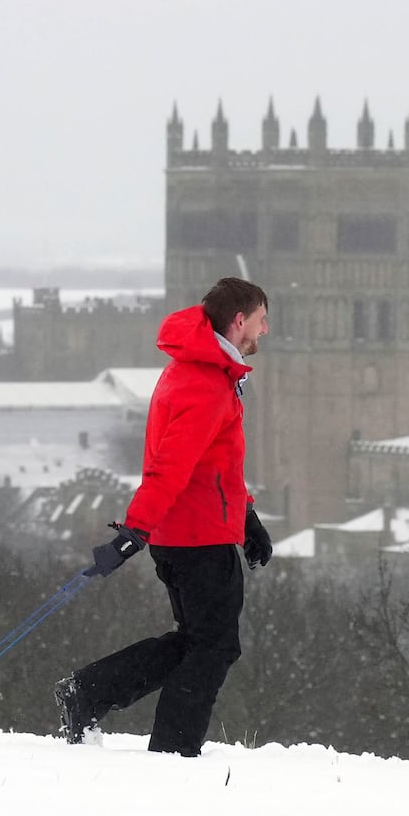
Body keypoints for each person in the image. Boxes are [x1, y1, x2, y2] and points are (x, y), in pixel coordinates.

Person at [55, 276, 275, 756]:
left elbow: (215, 466)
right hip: (198, 539)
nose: (266, 329)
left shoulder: (200, 370)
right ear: (239, 321)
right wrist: (134, 530)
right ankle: (172, 751)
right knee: (214, 648)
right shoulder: (205, 384)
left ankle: (89, 692)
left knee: (198, 641)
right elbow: (169, 469)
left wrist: (247, 518)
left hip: (192, 533)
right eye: (261, 319)